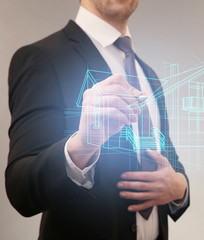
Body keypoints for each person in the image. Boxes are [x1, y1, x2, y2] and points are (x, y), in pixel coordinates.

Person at [5, 0, 190, 239]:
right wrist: (84, 144)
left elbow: (169, 159)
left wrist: (179, 187)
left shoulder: (149, 75)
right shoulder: (42, 58)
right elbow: (21, 189)